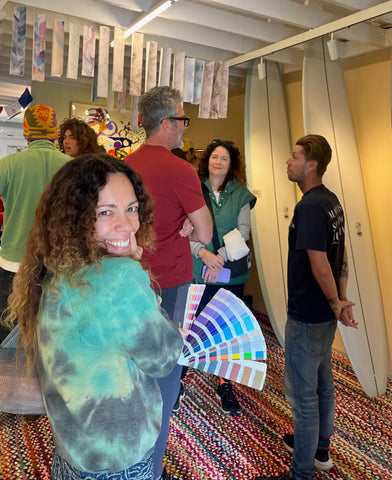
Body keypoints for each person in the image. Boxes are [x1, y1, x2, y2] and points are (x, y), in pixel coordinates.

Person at [3, 154, 184, 480]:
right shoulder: (121, 278)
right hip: (119, 460)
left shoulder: (57, 269)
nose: (128, 225)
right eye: (105, 212)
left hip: (73, 451)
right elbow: (163, 359)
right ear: (75, 218)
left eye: (131, 208)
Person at [255, 135, 358, 480]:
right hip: (325, 314)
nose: (288, 160)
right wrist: (340, 302)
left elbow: (321, 264)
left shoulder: (309, 207)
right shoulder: (331, 202)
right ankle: (320, 450)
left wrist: (334, 301)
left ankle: (302, 472)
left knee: (303, 397)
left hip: (308, 315)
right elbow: (340, 255)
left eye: (295, 156)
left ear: (311, 165)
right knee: (323, 384)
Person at [124, 86, 212, 480]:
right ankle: (152, 469)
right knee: (164, 377)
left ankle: (125, 454)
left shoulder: (124, 166)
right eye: (181, 120)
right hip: (171, 285)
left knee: (128, 369)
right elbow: (206, 233)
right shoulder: (181, 170)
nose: (183, 128)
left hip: (127, 281)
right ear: (166, 124)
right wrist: (189, 225)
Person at [190, 139, 256, 415]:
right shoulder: (192, 189)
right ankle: (182, 378)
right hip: (197, 270)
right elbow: (184, 231)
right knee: (193, 327)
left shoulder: (241, 194)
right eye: (214, 156)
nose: (218, 161)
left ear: (232, 164)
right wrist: (204, 255)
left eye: (224, 158)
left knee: (227, 331)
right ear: (207, 161)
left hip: (230, 274)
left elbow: (242, 233)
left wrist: (217, 257)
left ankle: (224, 383)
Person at [0, 104, 70, 343]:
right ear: (55, 132)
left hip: (13, 262)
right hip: (58, 263)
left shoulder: (8, 165)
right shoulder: (71, 167)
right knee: (51, 333)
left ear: (26, 131)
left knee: (8, 329)